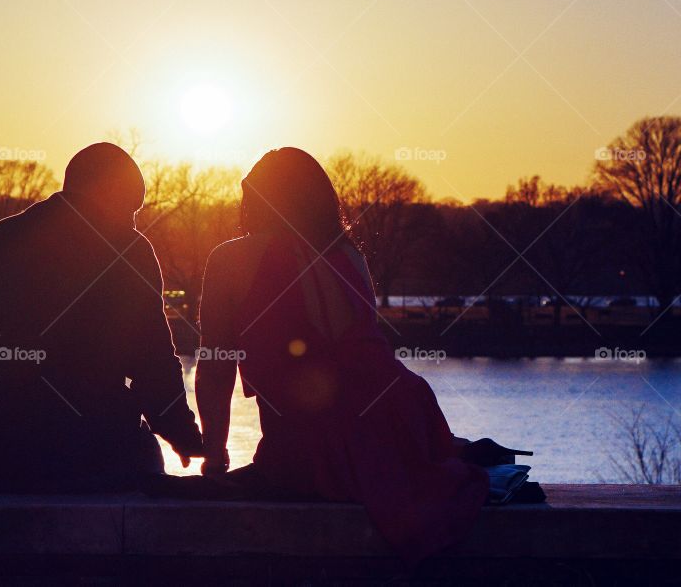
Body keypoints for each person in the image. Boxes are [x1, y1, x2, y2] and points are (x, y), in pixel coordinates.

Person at [196, 147, 501, 565]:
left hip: (314, 441)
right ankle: (448, 452)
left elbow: (215, 366)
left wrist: (215, 455)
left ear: (254, 200)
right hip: (406, 413)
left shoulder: (230, 259)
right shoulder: (350, 256)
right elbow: (361, 353)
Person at [0, 142, 203, 491]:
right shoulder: (125, 249)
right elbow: (153, 362)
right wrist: (182, 434)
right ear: (112, 190)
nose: (133, 221)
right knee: (146, 471)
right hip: (100, 452)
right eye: (133, 208)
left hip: (2, 460)